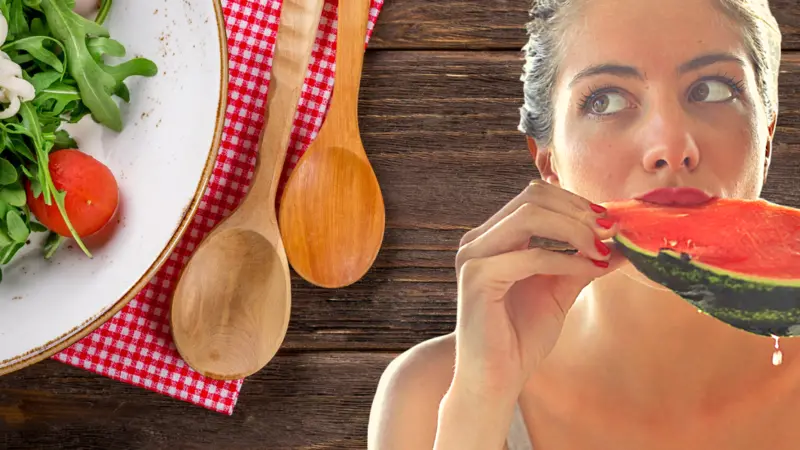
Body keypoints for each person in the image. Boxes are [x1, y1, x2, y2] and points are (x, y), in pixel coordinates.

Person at [367, 0, 789, 448]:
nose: (670, 144)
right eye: (605, 101)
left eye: (711, 89)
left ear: (766, 136)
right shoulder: (429, 395)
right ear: (548, 161)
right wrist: (480, 401)